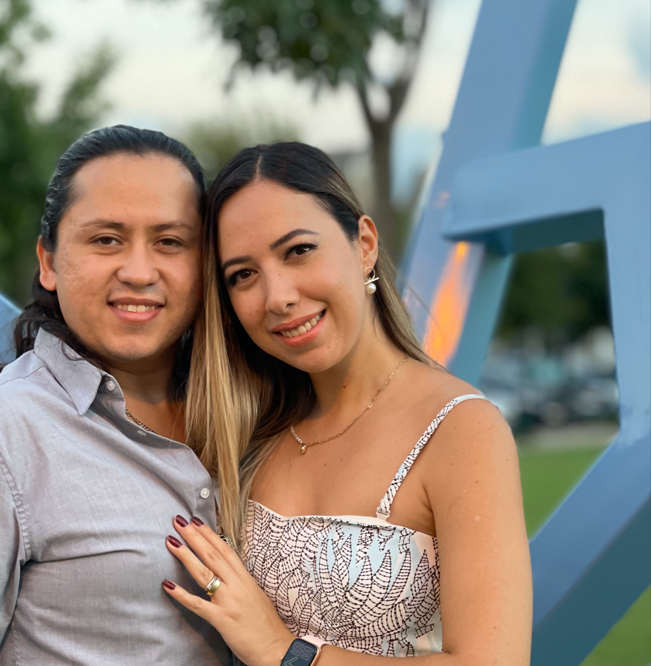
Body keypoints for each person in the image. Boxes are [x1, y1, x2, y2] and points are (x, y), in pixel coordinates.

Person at [161, 142, 532, 665]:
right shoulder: (245, 434)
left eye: (298, 250)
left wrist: (285, 652)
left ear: (364, 245)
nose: (278, 297)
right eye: (243, 275)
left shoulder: (461, 428)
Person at [0, 125, 231, 665]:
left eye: (170, 242)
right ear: (48, 261)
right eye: (106, 239)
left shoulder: (251, 417)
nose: (139, 272)